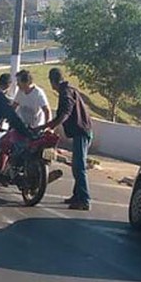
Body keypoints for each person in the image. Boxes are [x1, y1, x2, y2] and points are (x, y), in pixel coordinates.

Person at [38, 68, 93, 211]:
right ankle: (76, 196)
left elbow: (65, 113)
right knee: (76, 165)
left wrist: (51, 126)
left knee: (79, 167)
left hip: (81, 132)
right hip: (82, 131)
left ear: (52, 82)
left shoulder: (65, 93)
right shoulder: (69, 90)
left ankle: (85, 200)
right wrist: (50, 125)